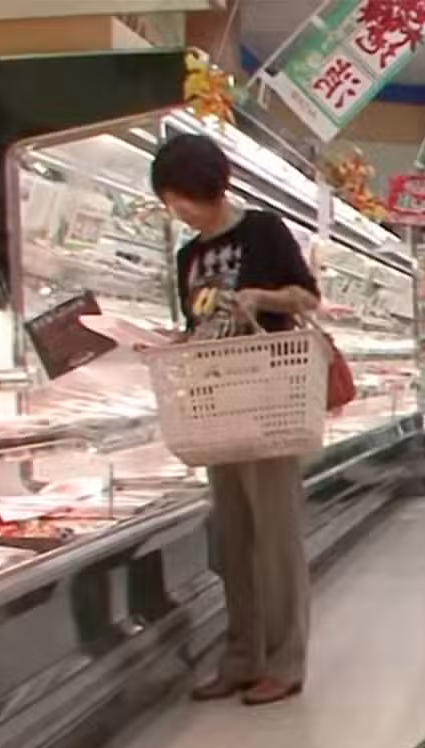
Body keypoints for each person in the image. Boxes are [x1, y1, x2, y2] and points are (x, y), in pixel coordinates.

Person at [151, 132, 319, 707]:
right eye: (170, 201)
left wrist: (259, 299)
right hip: (213, 403)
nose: (177, 211)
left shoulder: (263, 231)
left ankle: (284, 660)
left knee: (275, 539)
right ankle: (241, 656)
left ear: (210, 188)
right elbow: (197, 324)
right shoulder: (187, 256)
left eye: (181, 199)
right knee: (232, 541)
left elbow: (307, 299)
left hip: (269, 396)